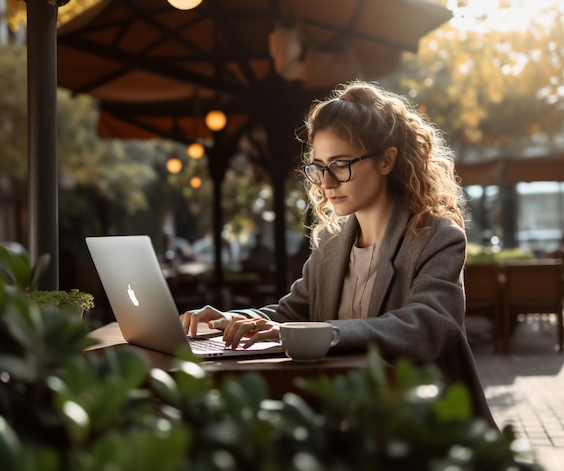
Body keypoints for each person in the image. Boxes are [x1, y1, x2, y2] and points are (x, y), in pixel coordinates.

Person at [181, 80, 497, 428]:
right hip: (345, 420)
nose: (326, 182)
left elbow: (425, 329)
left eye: (341, 164)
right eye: (319, 166)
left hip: (421, 428)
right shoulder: (332, 244)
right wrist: (232, 319)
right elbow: (289, 314)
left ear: (386, 160)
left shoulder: (436, 238)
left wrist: (323, 333)